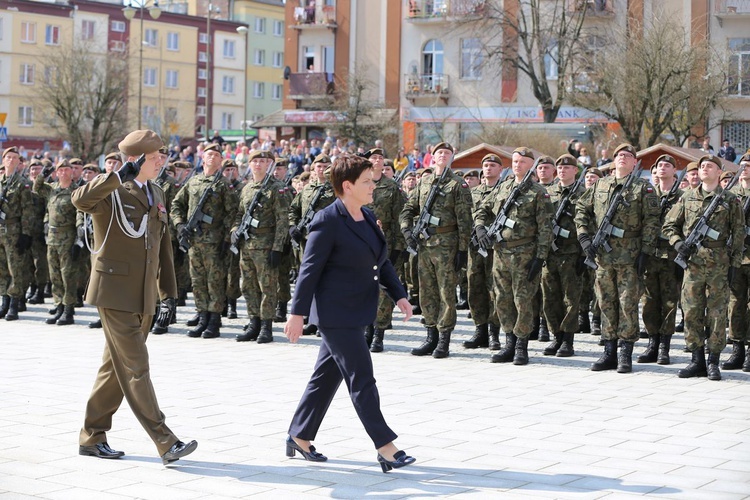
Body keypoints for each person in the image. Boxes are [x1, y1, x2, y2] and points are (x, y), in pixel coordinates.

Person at [284, 154, 416, 473]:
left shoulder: (367, 216)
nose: (374, 185)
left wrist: (399, 295)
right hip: (334, 312)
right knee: (362, 376)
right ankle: (385, 446)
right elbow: (309, 270)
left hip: (357, 308)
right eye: (367, 181)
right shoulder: (327, 219)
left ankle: (299, 436)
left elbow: (380, 261)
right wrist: (297, 313)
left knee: (325, 377)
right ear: (348, 185)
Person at [73, 129, 197, 465]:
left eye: (162, 155)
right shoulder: (111, 188)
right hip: (114, 292)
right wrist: (115, 177)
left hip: (143, 295)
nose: (161, 161)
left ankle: (92, 436)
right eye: (155, 156)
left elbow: (163, 246)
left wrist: (169, 293)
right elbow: (79, 201)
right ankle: (165, 439)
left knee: (114, 369)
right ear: (136, 159)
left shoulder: (156, 190)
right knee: (136, 367)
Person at [575, 143, 660, 373]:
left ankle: (625, 352)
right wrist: (584, 237)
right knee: (605, 302)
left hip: (630, 256)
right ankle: (609, 350)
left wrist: (645, 251)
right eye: (619, 155)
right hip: (603, 256)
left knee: (627, 304)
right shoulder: (600, 184)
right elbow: (581, 209)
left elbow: (652, 221)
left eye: (628, 156)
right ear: (613, 161)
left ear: (634, 162)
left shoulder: (643, 188)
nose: (623, 158)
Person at [662, 154, 744, 380]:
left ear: (719, 172)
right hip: (693, 264)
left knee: (717, 314)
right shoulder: (687, 198)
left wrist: (734, 264)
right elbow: (669, 225)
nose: (705, 168)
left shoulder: (730, 200)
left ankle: (713, 361)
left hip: (719, 264)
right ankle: (696, 360)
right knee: (691, 311)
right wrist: (678, 243)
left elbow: (738, 234)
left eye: (710, 166)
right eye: (702, 166)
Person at [473, 147, 554, 365]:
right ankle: (508, 342)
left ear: (531, 165)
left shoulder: (538, 192)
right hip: (500, 253)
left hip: (525, 253)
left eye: (523, 162)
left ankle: (521, 345)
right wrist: (480, 228)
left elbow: (546, 228)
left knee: (523, 301)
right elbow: (482, 209)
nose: (518, 164)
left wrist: (540, 256)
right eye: (515, 161)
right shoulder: (503, 187)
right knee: (502, 298)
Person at [399, 143, 473, 358]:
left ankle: (444, 340)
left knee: (446, 293)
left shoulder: (458, 184)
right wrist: (407, 231)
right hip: (424, 245)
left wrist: (462, 250)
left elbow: (465, 220)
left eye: (447, 153)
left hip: (447, 245)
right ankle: (430, 336)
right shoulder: (424, 181)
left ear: (452, 158)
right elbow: (408, 209)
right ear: (432, 157)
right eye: (439, 153)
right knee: (427, 291)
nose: (443, 156)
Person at [639, 155, 683, 365]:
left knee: (669, 302)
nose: (662, 168)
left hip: (671, 257)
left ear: (675, 171)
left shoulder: (683, 196)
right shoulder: (646, 194)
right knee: (648, 302)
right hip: (649, 255)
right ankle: (652, 343)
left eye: (667, 165)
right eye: (659, 166)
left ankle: (664, 345)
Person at [0, 146, 34, 321]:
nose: (11, 160)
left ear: (19, 162)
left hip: (14, 230)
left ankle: (14, 304)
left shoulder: (22, 183)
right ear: (3, 160)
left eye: (15, 158)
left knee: (15, 269)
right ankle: (4, 302)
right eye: (8, 157)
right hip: (0, 229)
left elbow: (27, 210)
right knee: (2, 268)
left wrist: (25, 234)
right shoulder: (0, 181)